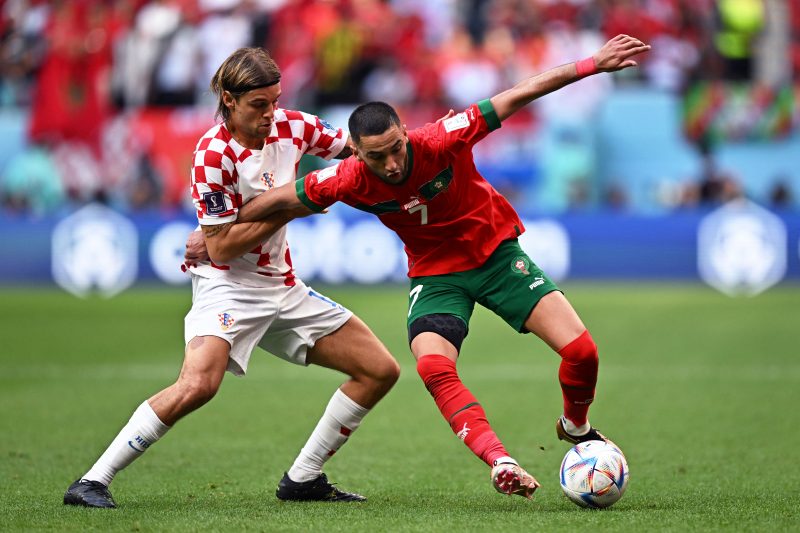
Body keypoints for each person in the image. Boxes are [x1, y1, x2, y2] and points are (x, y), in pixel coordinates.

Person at [216, 34, 651, 500]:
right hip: (436, 277)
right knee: (432, 366)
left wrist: (591, 64)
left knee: (583, 353)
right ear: (356, 154)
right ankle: (499, 460)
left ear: (405, 132)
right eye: (376, 156)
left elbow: (518, 94)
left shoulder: (443, 138)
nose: (390, 163)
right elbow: (277, 200)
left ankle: (576, 426)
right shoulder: (346, 179)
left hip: (497, 258)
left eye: (395, 148)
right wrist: (213, 231)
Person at [63, 47, 400, 508]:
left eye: (275, 101)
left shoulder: (295, 126)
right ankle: (92, 481)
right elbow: (219, 247)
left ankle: (303, 478)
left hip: (282, 286)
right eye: (259, 105)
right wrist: (298, 201)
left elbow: (356, 152)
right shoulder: (212, 155)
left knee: (379, 370)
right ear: (228, 99)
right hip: (228, 287)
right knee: (199, 384)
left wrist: (414, 148)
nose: (270, 114)